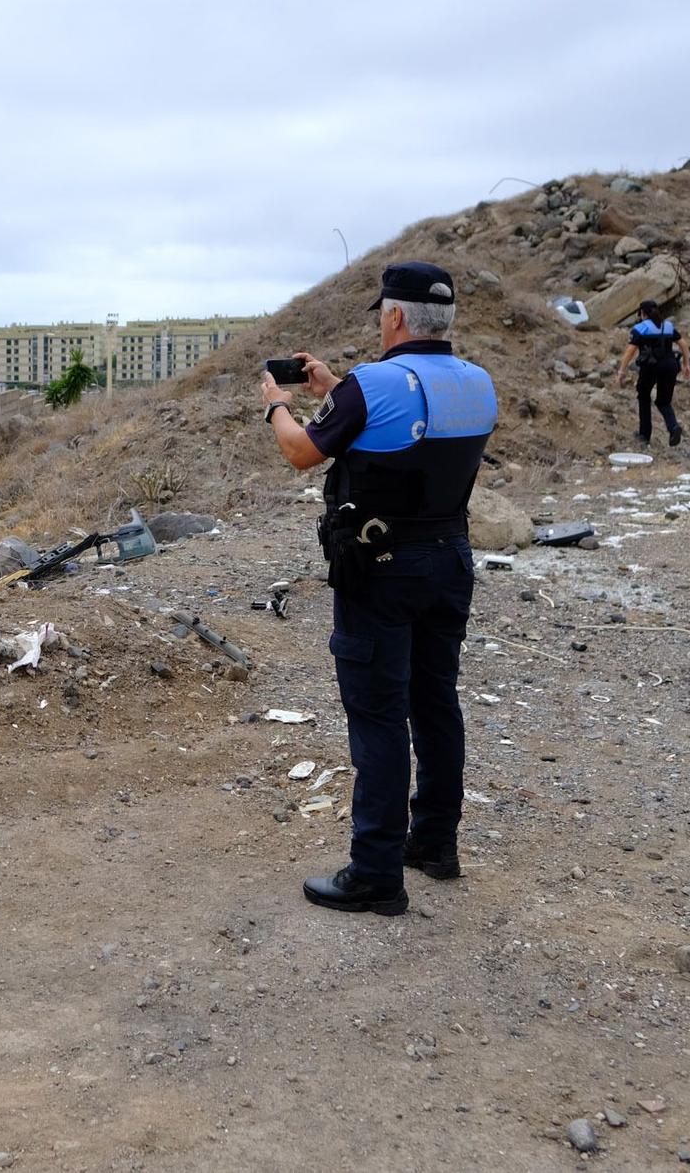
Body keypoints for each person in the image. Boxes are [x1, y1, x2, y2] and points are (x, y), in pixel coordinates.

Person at [259, 262, 497, 917]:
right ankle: (435, 846)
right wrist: (334, 386)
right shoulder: (478, 385)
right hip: (449, 559)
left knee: (379, 714)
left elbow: (304, 451)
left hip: (380, 567)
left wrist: (278, 404)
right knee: (435, 702)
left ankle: (375, 872)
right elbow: (412, 427)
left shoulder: (371, 386)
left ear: (393, 317)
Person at [614, 299, 690, 446]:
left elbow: (630, 350)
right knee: (664, 401)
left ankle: (644, 435)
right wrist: (686, 364)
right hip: (670, 366)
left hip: (651, 367)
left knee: (643, 396)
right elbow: (683, 344)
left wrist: (621, 371)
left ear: (642, 313)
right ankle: (673, 428)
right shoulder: (668, 326)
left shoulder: (641, 328)